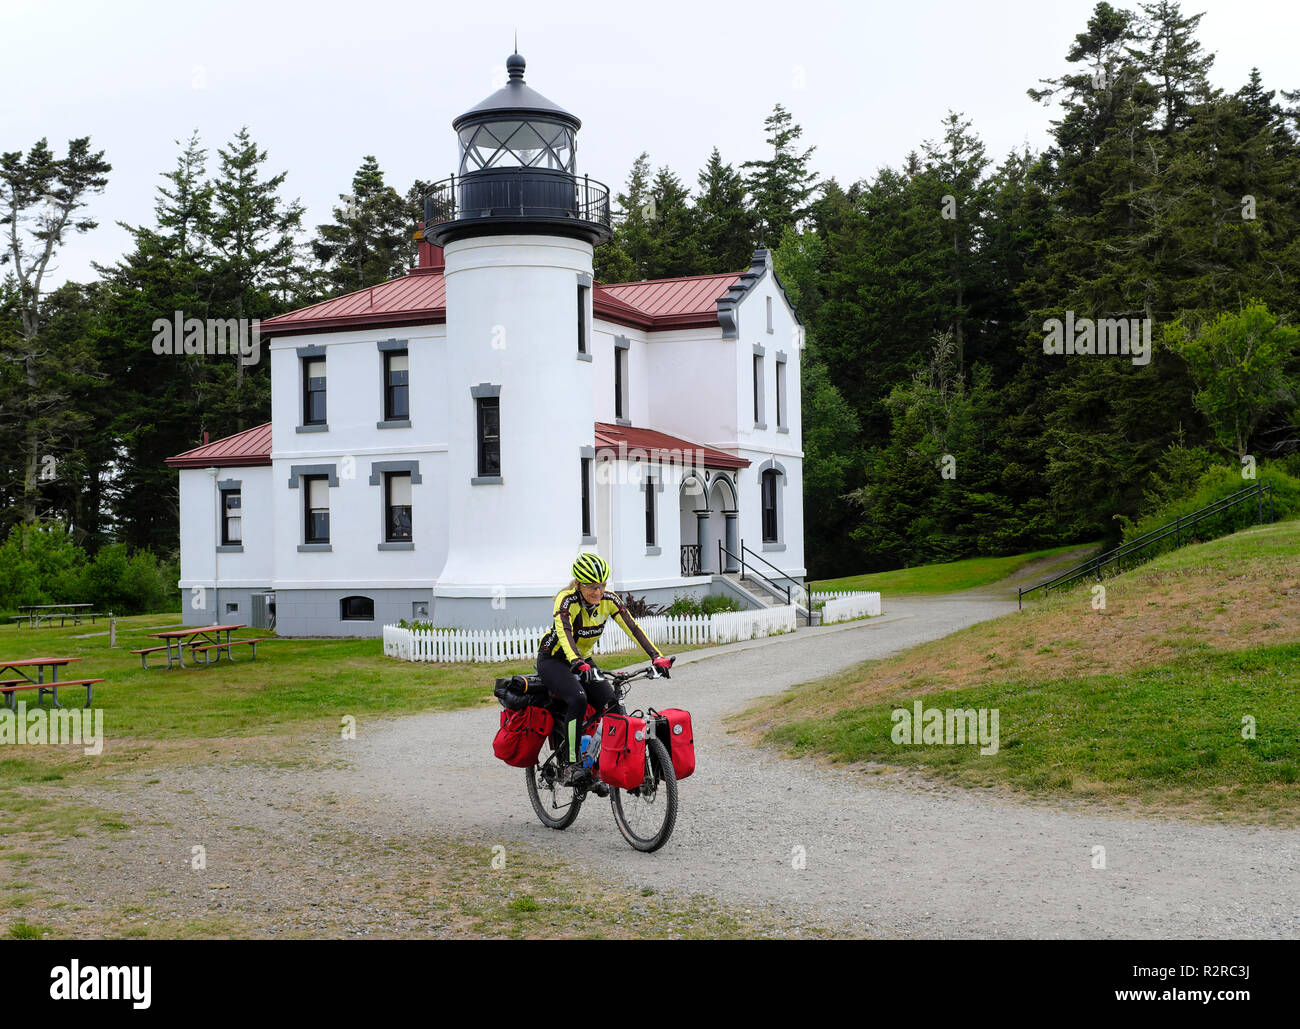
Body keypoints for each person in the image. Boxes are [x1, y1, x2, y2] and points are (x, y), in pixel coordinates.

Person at [537, 552, 673, 785]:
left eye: (601, 586)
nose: (597, 592)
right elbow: (565, 633)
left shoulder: (609, 600)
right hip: (555, 659)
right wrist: (576, 662)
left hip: (584, 660)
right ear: (579, 584)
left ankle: (601, 763)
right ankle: (570, 764)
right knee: (578, 698)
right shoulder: (566, 600)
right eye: (591, 587)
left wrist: (656, 657)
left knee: (611, 704)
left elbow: (633, 628)